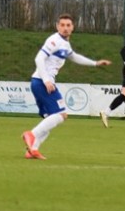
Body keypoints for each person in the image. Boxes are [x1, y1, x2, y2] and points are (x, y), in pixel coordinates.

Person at [21, 14, 111, 159]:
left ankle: (33, 150)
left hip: (38, 82)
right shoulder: (54, 40)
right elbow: (39, 58)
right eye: (62, 25)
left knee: (50, 119)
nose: (65, 28)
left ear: (72, 27)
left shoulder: (65, 44)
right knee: (61, 114)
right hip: (42, 82)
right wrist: (47, 80)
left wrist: (95, 63)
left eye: (68, 25)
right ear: (57, 26)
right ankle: (31, 134)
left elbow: (74, 57)